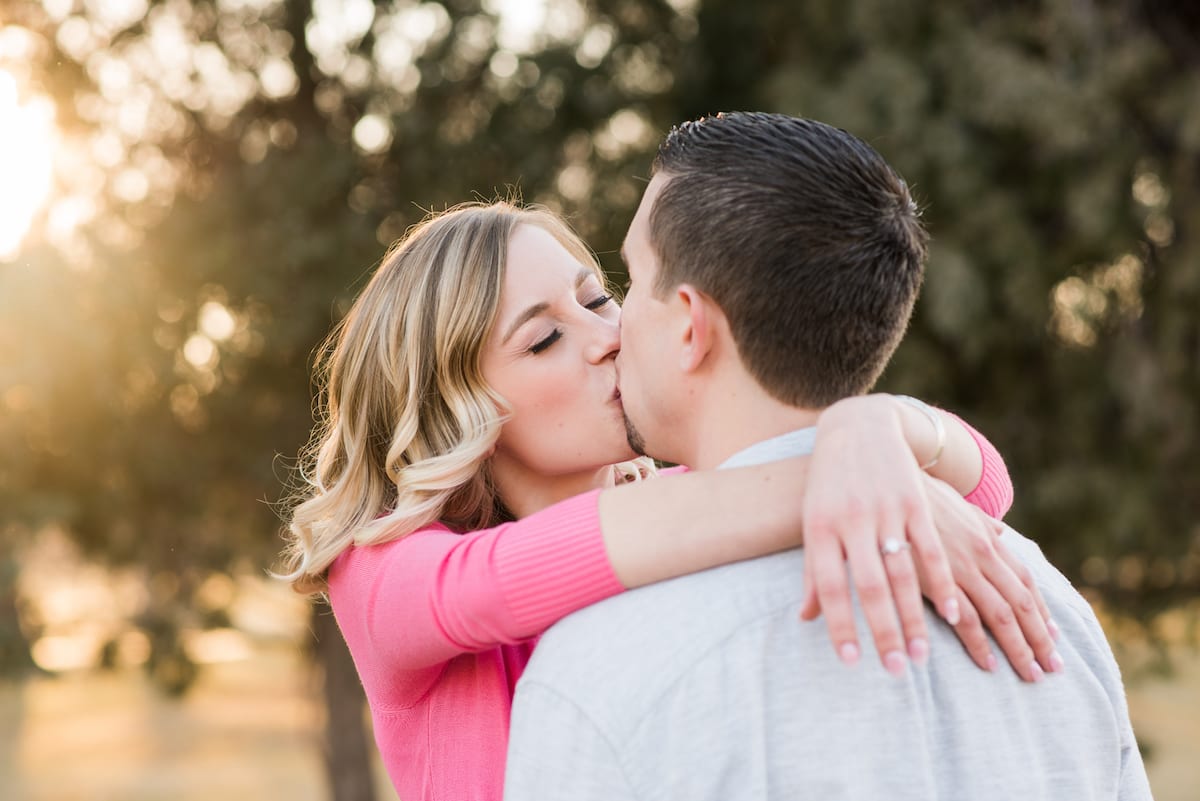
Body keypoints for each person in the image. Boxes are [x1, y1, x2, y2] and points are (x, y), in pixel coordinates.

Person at [278, 197, 1050, 801]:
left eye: (597, 299)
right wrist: (843, 474)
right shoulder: (382, 576)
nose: (607, 336)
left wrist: (875, 426)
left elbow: (986, 486)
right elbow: (506, 575)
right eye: (543, 339)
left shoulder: (701, 503)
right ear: (459, 411)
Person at [504, 113, 1152, 800]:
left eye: (629, 283)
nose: (612, 331)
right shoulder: (1048, 604)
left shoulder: (601, 667)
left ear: (691, 326)